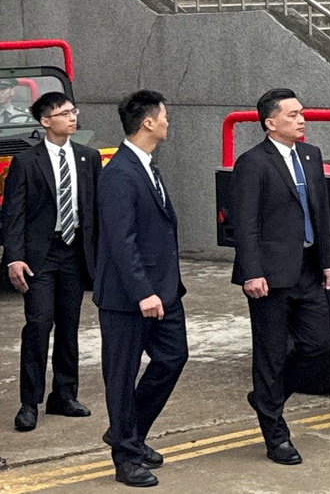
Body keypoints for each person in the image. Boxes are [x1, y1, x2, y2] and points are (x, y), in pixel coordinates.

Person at [231, 88, 330, 467]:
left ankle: (266, 398)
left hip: (308, 268)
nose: (301, 119)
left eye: (302, 113)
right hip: (270, 276)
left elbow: (320, 213)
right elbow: (245, 224)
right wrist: (252, 272)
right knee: (271, 355)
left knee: (318, 344)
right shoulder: (253, 163)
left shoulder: (311, 156)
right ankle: (276, 437)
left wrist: (328, 261)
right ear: (270, 123)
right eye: (292, 115)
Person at [95, 90, 187, 489]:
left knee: (173, 357)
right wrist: (142, 291)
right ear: (148, 122)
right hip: (129, 296)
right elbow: (120, 239)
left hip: (165, 290)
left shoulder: (147, 165)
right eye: (164, 115)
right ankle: (126, 457)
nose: (168, 121)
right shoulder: (119, 172)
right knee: (121, 374)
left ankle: (127, 432)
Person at [2, 92, 98, 433]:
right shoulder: (27, 162)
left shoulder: (88, 158)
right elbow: (13, 214)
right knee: (39, 324)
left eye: (74, 111)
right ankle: (30, 402)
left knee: (69, 326)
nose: (72, 117)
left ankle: (64, 394)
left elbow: (95, 212)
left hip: (75, 253)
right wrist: (14, 257)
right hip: (40, 256)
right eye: (64, 113)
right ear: (46, 121)